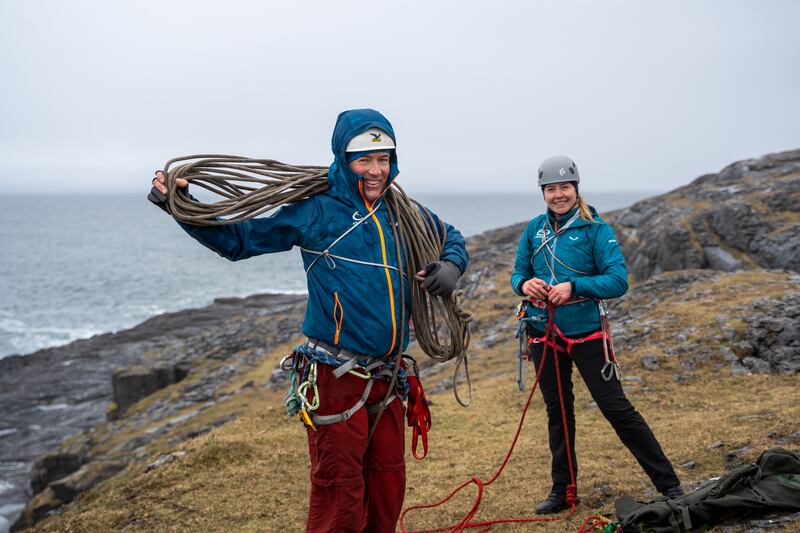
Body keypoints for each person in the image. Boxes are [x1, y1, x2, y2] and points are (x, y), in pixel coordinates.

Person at [148, 108, 469, 532]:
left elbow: (452, 237)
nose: (376, 171)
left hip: (389, 379)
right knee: (341, 494)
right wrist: (180, 206)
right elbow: (240, 240)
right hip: (336, 377)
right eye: (364, 160)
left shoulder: (401, 211)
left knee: (387, 486)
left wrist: (450, 267)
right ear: (342, 158)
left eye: (384, 159)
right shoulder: (316, 212)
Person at [510, 156, 683, 515]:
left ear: (576, 188)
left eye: (564, 187)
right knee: (558, 412)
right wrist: (525, 284)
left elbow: (618, 281)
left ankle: (671, 486)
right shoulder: (534, 230)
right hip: (543, 333)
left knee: (617, 410)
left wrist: (574, 287)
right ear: (543, 192)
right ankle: (563, 491)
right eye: (551, 189)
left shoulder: (596, 230)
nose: (558, 195)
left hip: (587, 334)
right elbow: (517, 275)